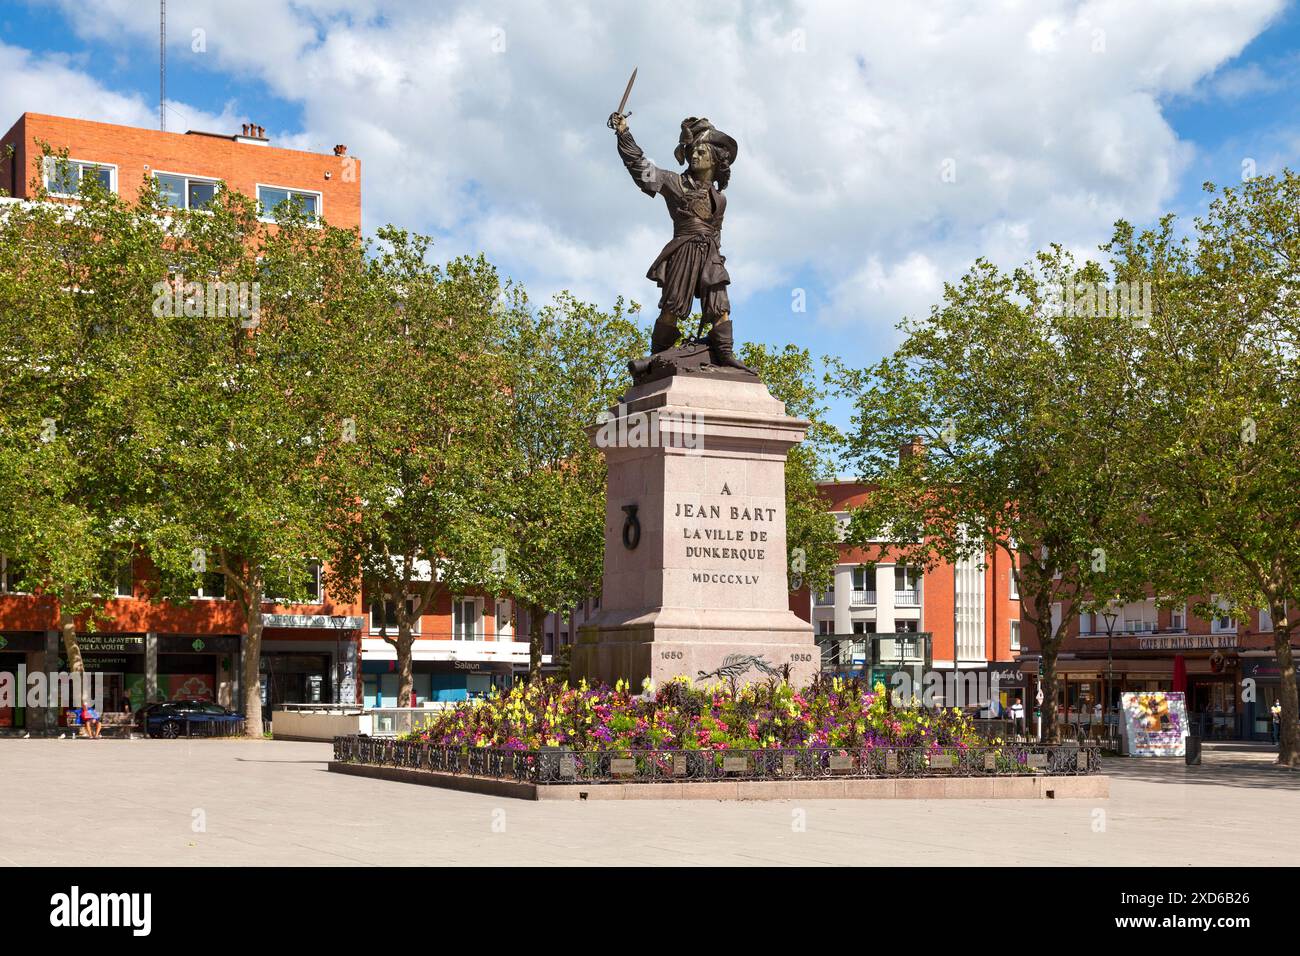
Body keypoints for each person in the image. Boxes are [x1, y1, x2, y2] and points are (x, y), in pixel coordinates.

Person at [609, 111, 752, 375]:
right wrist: (624, 133)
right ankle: (654, 360)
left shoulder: (719, 199)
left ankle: (726, 354)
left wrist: (717, 259)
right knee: (672, 307)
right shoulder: (674, 182)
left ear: (715, 158)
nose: (694, 156)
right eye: (692, 152)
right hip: (683, 249)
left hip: (710, 252)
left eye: (701, 152)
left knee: (720, 305)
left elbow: (716, 231)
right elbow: (641, 167)